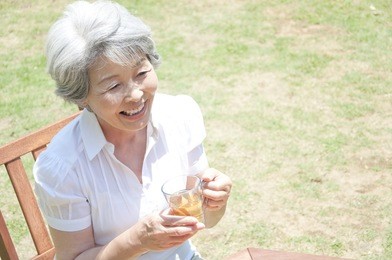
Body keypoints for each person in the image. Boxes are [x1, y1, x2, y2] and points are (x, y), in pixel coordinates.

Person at [33, 1, 232, 259]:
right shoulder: (63, 167)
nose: (136, 94)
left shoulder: (180, 115)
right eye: (113, 86)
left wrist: (216, 201)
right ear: (81, 97)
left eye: (141, 72)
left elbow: (204, 217)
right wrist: (137, 240)